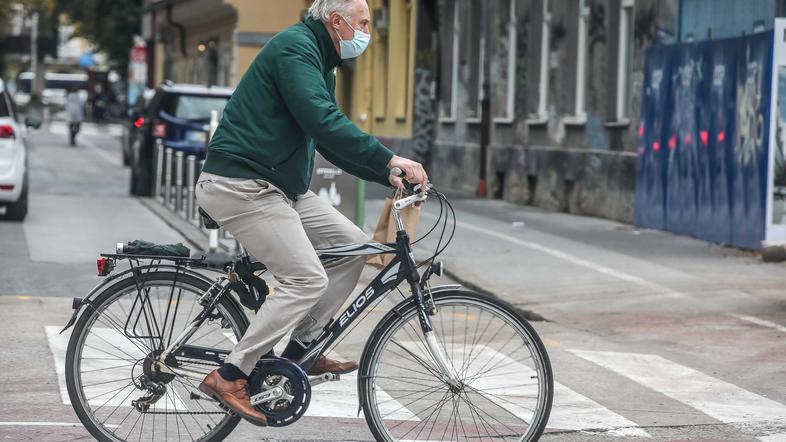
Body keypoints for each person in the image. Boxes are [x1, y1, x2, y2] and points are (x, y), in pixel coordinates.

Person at [195, 0, 428, 426]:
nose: (367, 33)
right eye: (362, 23)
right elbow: (323, 120)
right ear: (336, 22)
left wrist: (385, 171)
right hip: (242, 185)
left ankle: (304, 348)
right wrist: (389, 156)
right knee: (305, 278)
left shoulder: (322, 59)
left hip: (279, 186)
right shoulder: (296, 49)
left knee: (355, 246)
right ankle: (230, 375)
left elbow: (324, 139)